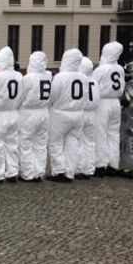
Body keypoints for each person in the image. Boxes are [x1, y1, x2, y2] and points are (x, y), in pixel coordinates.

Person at [48, 48, 86, 182]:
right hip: (79, 113)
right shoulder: (83, 77)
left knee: (56, 142)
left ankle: (59, 171)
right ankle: (70, 172)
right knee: (73, 143)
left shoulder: (60, 77)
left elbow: (52, 96)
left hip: (61, 113)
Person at [0, 46, 23, 182]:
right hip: (13, 113)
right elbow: (22, 96)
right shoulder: (19, 76)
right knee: (12, 145)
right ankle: (12, 172)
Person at [92, 41, 126, 176]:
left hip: (102, 102)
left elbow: (93, 87)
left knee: (100, 133)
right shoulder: (120, 69)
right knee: (113, 134)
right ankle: (113, 164)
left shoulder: (101, 69)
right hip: (115, 103)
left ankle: (100, 165)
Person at [18, 51, 52, 182]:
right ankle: (38, 172)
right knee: (40, 145)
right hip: (44, 112)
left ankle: (27, 173)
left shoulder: (28, 78)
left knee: (25, 143)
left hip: (29, 112)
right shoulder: (48, 75)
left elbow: (22, 95)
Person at [76, 56, 100, 179]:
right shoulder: (94, 81)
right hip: (92, 113)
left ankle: (79, 168)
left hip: (81, 112)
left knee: (79, 141)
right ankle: (89, 169)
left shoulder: (79, 80)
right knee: (90, 143)